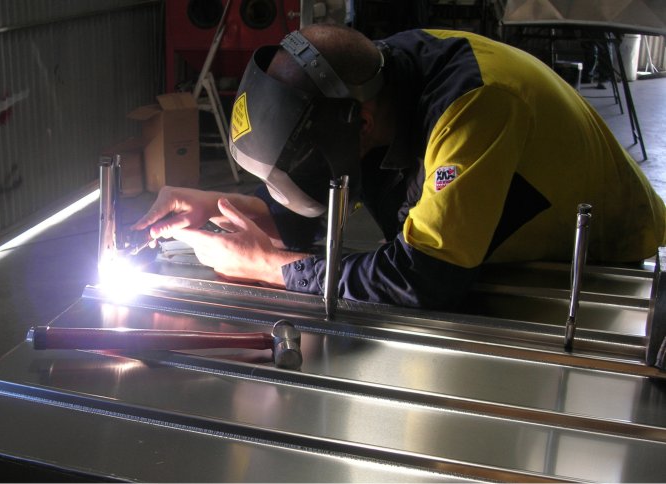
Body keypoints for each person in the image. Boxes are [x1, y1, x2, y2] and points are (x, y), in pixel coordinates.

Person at [132, 24, 666, 310]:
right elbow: (318, 187)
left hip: (590, 264)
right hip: (494, 239)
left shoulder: (471, 108)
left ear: (360, 123)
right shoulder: (367, 83)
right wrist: (232, 210)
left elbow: (425, 280)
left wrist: (270, 267)